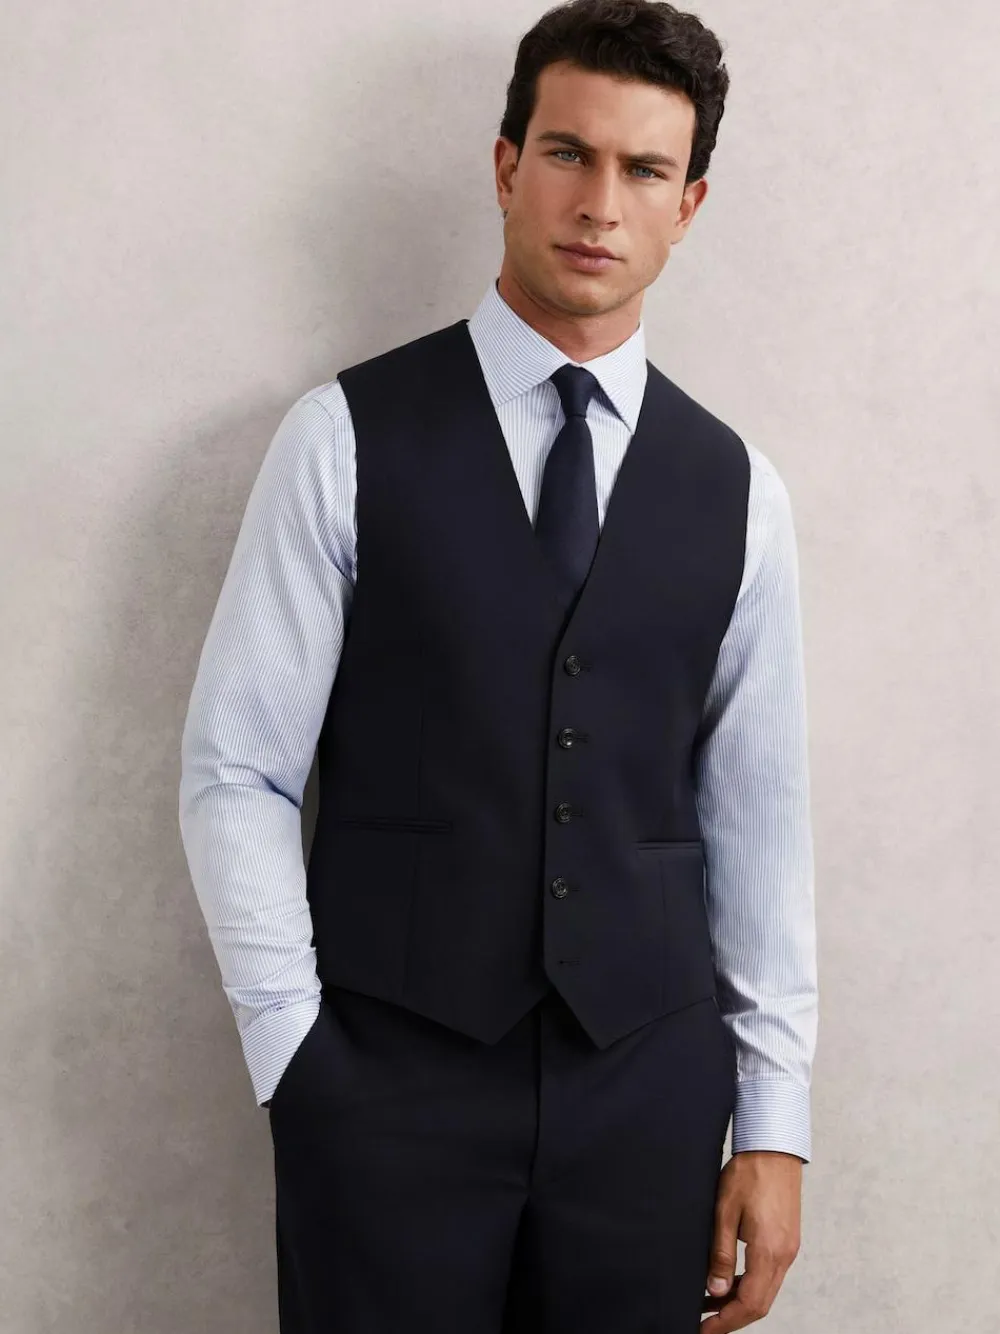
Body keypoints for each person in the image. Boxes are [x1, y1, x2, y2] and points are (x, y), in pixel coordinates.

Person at [178, 1, 818, 1329]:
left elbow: (759, 823)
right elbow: (238, 768)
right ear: (506, 164)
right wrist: (295, 1051)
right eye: (569, 153)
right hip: (386, 1087)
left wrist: (774, 1121)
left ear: (689, 205)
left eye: (644, 169)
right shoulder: (342, 438)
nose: (600, 203)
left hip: (646, 1100)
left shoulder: (740, 491)